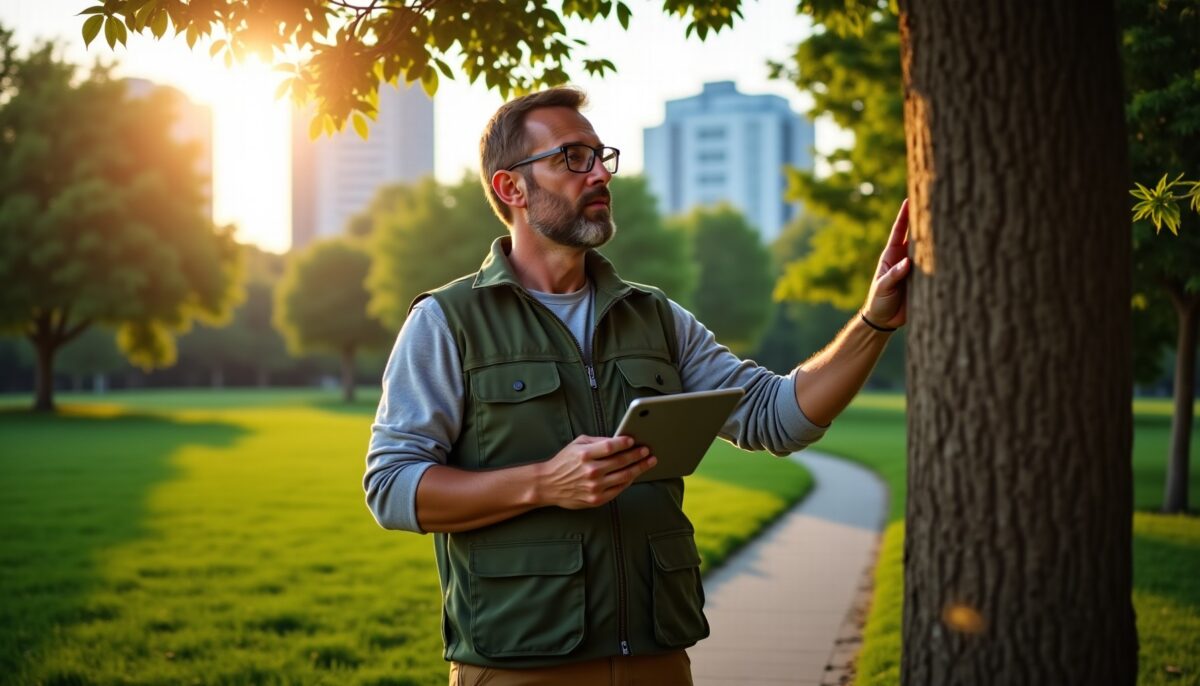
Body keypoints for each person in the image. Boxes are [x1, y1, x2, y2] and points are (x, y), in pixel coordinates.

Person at [363, 86, 910, 686]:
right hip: (520, 665)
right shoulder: (446, 321)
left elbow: (775, 417)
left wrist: (873, 322)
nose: (600, 173)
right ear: (511, 188)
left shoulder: (656, 317)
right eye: (573, 157)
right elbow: (392, 488)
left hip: (658, 659)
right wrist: (545, 483)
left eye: (602, 156)